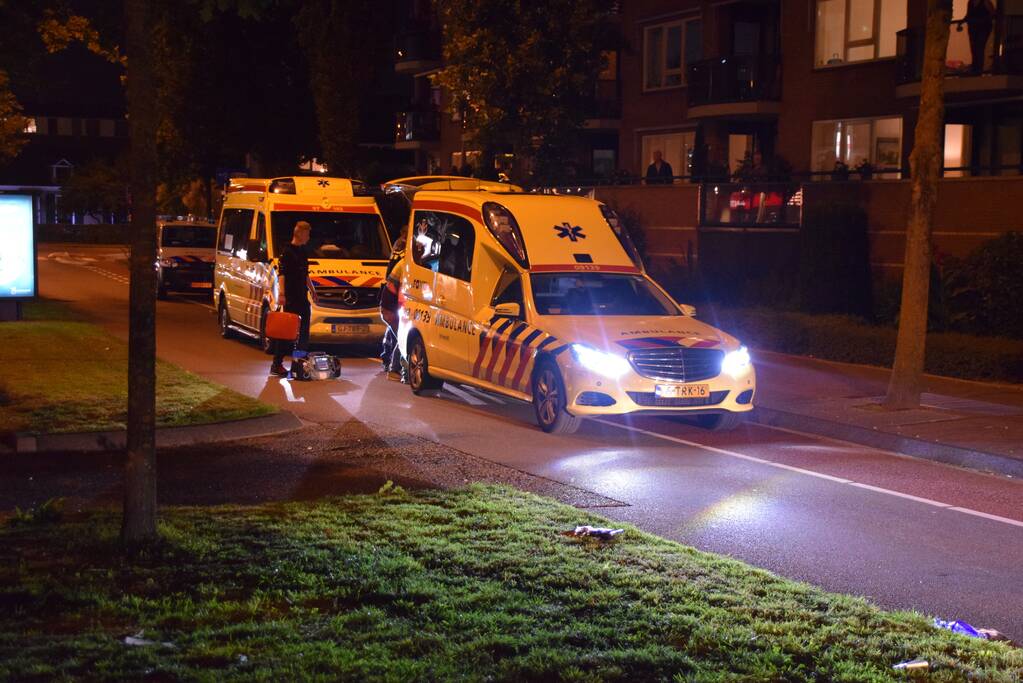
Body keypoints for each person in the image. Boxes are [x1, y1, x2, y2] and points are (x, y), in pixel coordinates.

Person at [270, 221, 312, 377]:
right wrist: (282, 294)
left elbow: (305, 274)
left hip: (302, 296)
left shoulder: (303, 251)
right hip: (291, 297)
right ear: (299, 233)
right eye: (307, 234)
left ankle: (299, 362)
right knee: (288, 332)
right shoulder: (287, 252)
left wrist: (313, 291)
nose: (308, 237)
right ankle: (277, 363)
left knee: (304, 331)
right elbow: (282, 275)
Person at [379, 235, 406, 381]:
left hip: (389, 306)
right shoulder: (406, 264)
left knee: (398, 336)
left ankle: (392, 364)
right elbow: (399, 291)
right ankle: (394, 370)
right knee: (402, 339)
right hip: (390, 308)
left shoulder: (402, 260)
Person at [965, 0, 996, 75]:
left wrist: (985, 19)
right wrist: (962, 21)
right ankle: (975, 69)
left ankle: (978, 70)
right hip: (973, 28)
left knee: (979, 48)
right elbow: (968, 15)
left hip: (983, 29)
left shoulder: (985, 2)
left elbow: (993, 13)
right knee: (974, 49)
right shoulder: (970, 3)